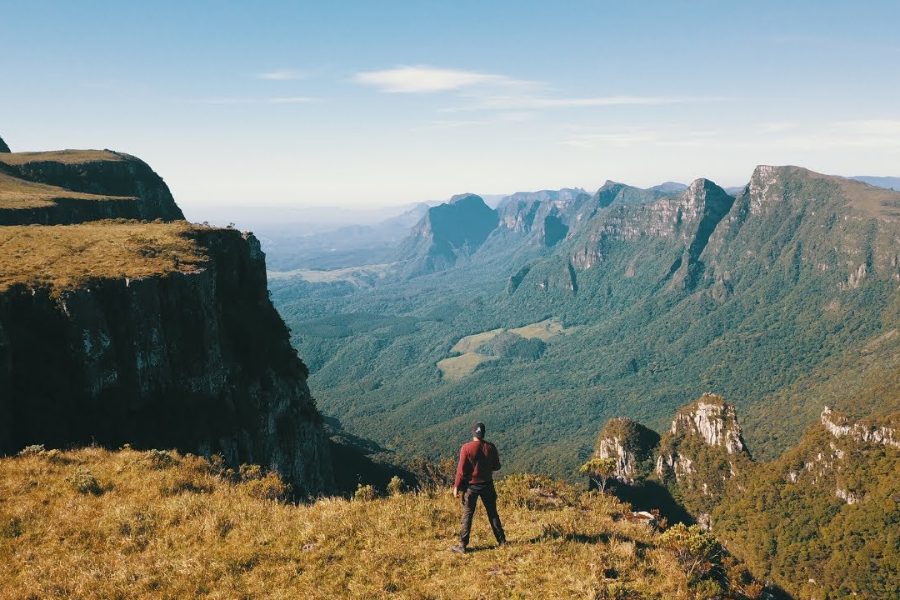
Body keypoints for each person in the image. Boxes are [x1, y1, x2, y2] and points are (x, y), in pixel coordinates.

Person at [450, 422, 506, 554]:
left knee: (468, 514)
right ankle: (502, 541)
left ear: (473, 432)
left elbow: (461, 470)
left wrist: (456, 486)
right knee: (492, 513)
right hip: (488, 484)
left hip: (472, 486)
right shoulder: (490, 447)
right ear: (484, 433)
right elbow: (497, 466)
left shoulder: (466, 448)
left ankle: (463, 545)